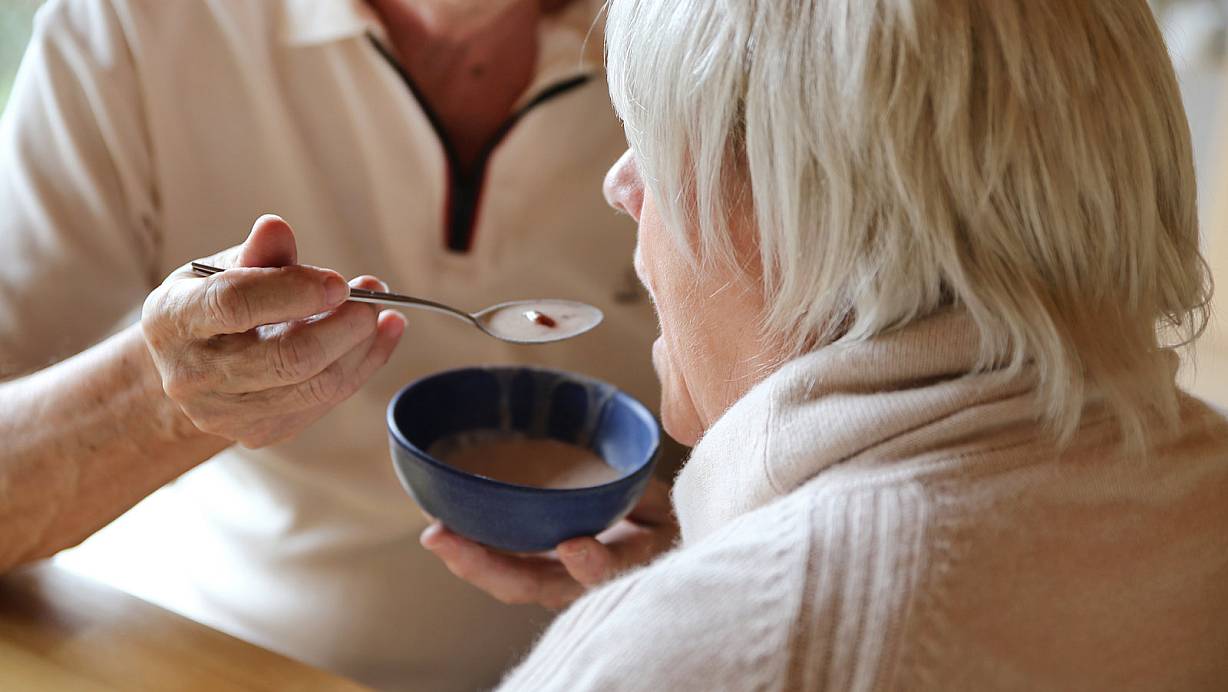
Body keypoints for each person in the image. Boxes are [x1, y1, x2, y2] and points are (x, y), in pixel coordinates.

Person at [496, 0, 1228, 688]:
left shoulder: (683, 657)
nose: (620, 185)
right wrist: (713, 568)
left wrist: (699, 616)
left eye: (652, 141)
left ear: (791, 203)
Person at [0, 0, 677, 689]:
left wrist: (696, 549)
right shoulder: (132, 25)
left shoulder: (723, 40)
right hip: (216, 657)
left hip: (612, 661)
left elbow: (770, 456)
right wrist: (165, 400)